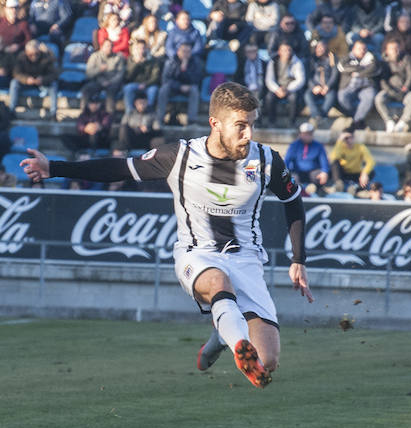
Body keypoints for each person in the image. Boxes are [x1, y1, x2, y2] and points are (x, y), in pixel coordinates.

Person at [21, 82, 314, 389]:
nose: (249, 134)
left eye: (252, 125)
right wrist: (54, 167)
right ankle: (237, 339)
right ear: (215, 123)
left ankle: (222, 335)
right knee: (218, 283)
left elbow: (292, 200)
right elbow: (119, 168)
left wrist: (298, 259)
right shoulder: (181, 156)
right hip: (196, 254)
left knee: (267, 362)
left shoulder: (266, 160)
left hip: (247, 260)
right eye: (240, 126)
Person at [156, 41, 204, 126]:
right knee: (164, 89)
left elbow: (196, 80)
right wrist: (179, 86)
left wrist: (185, 70)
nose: (185, 54)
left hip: (188, 89)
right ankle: (159, 120)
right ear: (178, 52)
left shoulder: (195, 62)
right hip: (173, 88)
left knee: (194, 90)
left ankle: (192, 121)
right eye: (183, 51)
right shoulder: (171, 62)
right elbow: (165, 80)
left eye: (188, 52)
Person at [9, 39, 58, 119]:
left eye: (36, 54)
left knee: (54, 84)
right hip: (27, 83)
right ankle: (11, 111)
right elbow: (16, 73)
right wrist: (26, 79)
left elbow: (54, 74)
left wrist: (43, 79)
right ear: (26, 52)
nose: (34, 56)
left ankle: (53, 113)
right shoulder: (21, 57)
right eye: (31, 54)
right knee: (14, 83)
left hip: (42, 83)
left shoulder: (46, 57)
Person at [376, 38, 411, 133]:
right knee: (379, 99)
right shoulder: (384, 62)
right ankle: (388, 121)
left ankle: (403, 122)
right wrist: (390, 91)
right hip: (389, 90)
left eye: (397, 48)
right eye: (392, 48)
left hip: (404, 90)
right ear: (387, 50)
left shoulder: (406, 59)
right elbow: (383, 80)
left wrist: (406, 88)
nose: (395, 51)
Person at [337, 37, 379, 131]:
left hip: (366, 86)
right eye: (359, 48)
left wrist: (357, 73)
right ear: (353, 49)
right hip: (348, 86)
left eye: (364, 49)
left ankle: (356, 122)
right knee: (342, 98)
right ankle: (358, 118)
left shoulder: (372, 58)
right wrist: (361, 68)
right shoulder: (347, 58)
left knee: (370, 97)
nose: (362, 51)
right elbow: (341, 67)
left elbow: (375, 70)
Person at [263, 41, 305, 127]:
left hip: (290, 88)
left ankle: (291, 122)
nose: (287, 52)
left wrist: (288, 89)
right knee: (269, 97)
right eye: (285, 50)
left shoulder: (296, 62)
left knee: (294, 98)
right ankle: (271, 122)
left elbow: (300, 80)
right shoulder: (273, 62)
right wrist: (277, 89)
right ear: (279, 51)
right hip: (277, 88)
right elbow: (269, 79)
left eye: (289, 50)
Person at [284, 121, 331, 195]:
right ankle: (299, 191)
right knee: (292, 178)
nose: (308, 136)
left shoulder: (318, 146)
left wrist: (324, 172)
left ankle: (317, 190)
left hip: (312, 172)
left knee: (319, 174)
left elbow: (324, 161)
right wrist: (287, 173)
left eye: (310, 134)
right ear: (300, 134)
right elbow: (287, 160)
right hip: (297, 172)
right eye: (305, 134)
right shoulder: (294, 146)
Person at [305, 39, 338, 127]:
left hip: (327, 86)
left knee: (331, 96)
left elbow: (335, 73)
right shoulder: (312, 59)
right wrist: (313, 87)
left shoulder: (331, 57)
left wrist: (328, 86)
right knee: (307, 95)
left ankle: (323, 115)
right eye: (318, 47)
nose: (320, 49)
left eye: (322, 47)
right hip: (315, 86)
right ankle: (316, 115)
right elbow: (308, 76)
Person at [122, 39, 162, 114]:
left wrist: (145, 84)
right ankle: (129, 113)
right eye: (138, 48)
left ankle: (150, 113)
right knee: (127, 88)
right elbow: (127, 78)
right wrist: (136, 64)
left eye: (143, 48)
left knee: (153, 90)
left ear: (146, 49)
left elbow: (156, 77)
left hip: (149, 85)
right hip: (134, 84)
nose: (141, 50)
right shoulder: (131, 60)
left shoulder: (153, 60)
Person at [0, 1, 32, 84]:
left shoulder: (23, 24)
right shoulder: (0, 22)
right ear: (5, 9)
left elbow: (29, 41)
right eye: (11, 8)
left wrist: (18, 46)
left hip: (16, 57)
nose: (13, 10)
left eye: (16, 8)